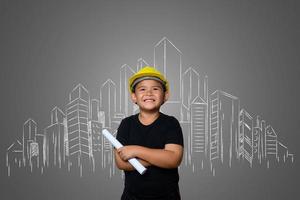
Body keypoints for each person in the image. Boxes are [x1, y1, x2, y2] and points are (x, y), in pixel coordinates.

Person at [115, 66, 184, 200]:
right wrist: (159, 156)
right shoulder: (126, 124)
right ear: (134, 97)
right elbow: (121, 163)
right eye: (142, 89)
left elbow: (173, 159)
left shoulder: (171, 123)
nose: (149, 93)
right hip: (132, 197)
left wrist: (135, 150)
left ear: (165, 96)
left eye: (155, 89)